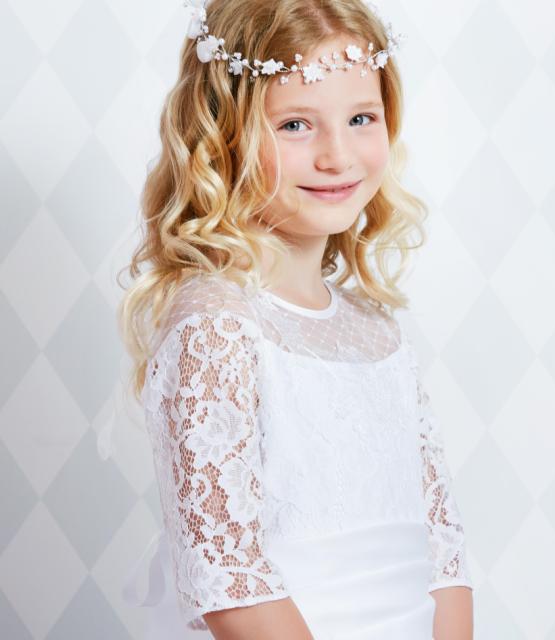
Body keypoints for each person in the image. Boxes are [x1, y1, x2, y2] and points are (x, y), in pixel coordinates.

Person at [117, 0, 474, 638]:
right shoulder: (217, 326)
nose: (338, 156)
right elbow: (232, 581)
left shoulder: (376, 332)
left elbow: (443, 554)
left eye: (360, 118)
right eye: (296, 125)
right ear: (222, 134)